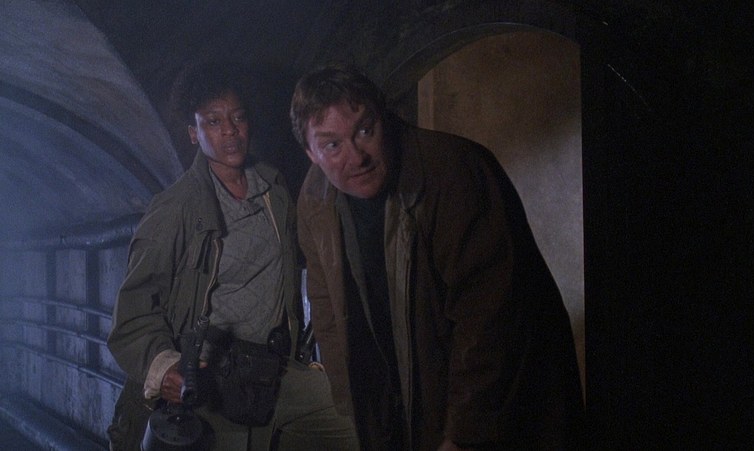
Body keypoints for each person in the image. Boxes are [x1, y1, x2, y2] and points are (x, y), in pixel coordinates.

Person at [290, 63, 585, 450]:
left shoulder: (452, 171)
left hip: (496, 405)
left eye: (364, 130)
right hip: (404, 402)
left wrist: (464, 435)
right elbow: (327, 307)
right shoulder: (315, 198)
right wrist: (354, 407)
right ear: (311, 153)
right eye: (332, 145)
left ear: (383, 118)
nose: (356, 157)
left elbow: (489, 318)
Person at [106, 61, 359, 451]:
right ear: (194, 133)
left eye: (238, 117)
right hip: (211, 378)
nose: (230, 130)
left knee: (359, 425)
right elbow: (132, 317)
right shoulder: (175, 210)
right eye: (213, 121)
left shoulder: (272, 187)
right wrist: (164, 366)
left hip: (273, 370)